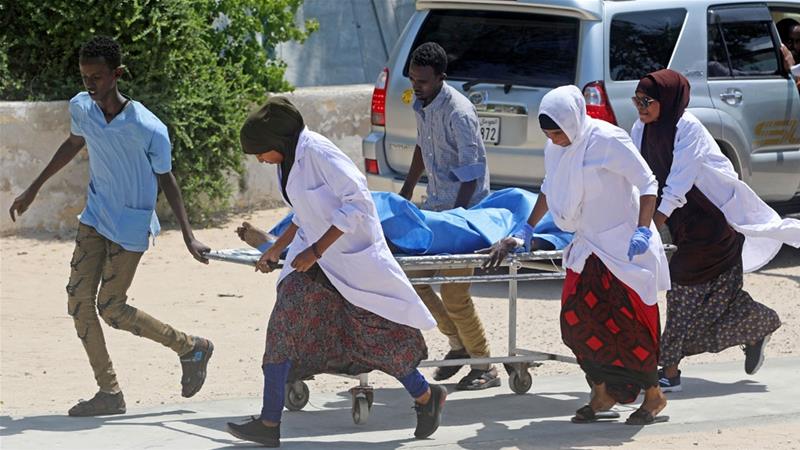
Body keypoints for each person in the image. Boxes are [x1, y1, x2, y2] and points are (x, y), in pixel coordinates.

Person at [7, 36, 214, 416]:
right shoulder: (81, 108)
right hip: (96, 217)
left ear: (117, 74)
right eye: (85, 76)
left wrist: (188, 236)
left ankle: (190, 346)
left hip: (131, 225)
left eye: (98, 77)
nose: (90, 84)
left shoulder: (148, 127)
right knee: (78, 301)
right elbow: (73, 144)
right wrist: (33, 188)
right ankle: (109, 392)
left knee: (112, 308)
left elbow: (167, 180)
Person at [225, 97, 446, 447]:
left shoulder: (320, 153)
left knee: (374, 335)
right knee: (282, 327)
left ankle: (425, 396)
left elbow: (358, 202)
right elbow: (304, 212)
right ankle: (269, 423)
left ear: (278, 142)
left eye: (260, 152)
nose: (259, 160)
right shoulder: (290, 159)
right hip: (313, 262)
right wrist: (276, 248)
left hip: (348, 260)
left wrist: (316, 250)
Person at [484, 85, 671, 425]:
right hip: (587, 247)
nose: (554, 139)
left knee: (632, 325)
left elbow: (647, 182)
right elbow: (548, 186)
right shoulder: (555, 149)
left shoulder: (608, 140)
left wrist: (643, 230)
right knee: (576, 322)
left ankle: (653, 396)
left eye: (558, 132)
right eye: (548, 134)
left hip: (623, 246)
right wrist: (524, 229)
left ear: (573, 121)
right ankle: (603, 393)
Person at [631, 69, 799, 392]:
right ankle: (757, 324)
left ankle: (670, 371)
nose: (640, 106)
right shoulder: (641, 128)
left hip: (712, 225)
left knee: (680, 287)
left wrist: (648, 227)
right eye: (636, 99)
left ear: (667, 100)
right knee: (714, 306)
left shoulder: (688, 128)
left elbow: (678, 184)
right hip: (683, 225)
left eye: (647, 100)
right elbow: (640, 177)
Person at [399, 41, 499, 390]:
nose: (416, 86)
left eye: (423, 81)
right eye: (412, 79)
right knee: (414, 279)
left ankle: (484, 366)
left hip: (464, 214)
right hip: (435, 209)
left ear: (441, 77)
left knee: (456, 296)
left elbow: (471, 173)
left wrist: (459, 217)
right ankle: (459, 347)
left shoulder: (459, 112)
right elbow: (423, 146)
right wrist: (408, 189)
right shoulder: (422, 103)